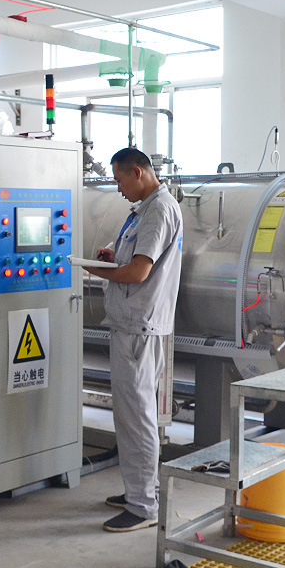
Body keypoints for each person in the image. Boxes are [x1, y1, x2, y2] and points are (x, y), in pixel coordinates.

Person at [89, 147, 183, 532]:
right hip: (134, 326)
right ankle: (139, 491)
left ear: (138, 172)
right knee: (132, 416)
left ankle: (143, 506)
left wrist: (101, 270)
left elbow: (139, 273)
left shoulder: (159, 210)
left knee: (137, 419)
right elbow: (134, 261)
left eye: (119, 180)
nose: (118, 188)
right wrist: (114, 258)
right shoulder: (144, 210)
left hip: (137, 329)